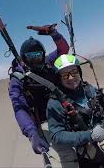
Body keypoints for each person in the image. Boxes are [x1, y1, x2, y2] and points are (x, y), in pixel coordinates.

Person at [8, 24, 69, 158]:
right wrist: (32, 133)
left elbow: (63, 49)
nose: (36, 59)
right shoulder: (18, 79)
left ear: (43, 54)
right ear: (24, 58)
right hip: (44, 123)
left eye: (38, 55)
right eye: (32, 56)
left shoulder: (47, 63)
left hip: (63, 112)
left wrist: (53, 33)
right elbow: (19, 108)